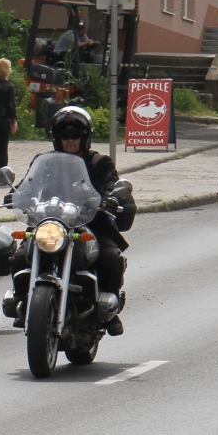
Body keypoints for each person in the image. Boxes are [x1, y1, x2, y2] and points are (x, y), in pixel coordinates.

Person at [47, 105, 128, 334]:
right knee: (21, 254)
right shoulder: (46, 161)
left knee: (110, 258)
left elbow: (111, 182)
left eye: (75, 135)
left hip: (90, 222)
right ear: (57, 138)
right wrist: (17, 193)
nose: (70, 140)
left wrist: (111, 197)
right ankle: (22, 298)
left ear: (85, 138)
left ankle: (109, 310)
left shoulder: (99, 162)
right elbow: (29, 184)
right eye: (65, 135)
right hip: (53, 222)